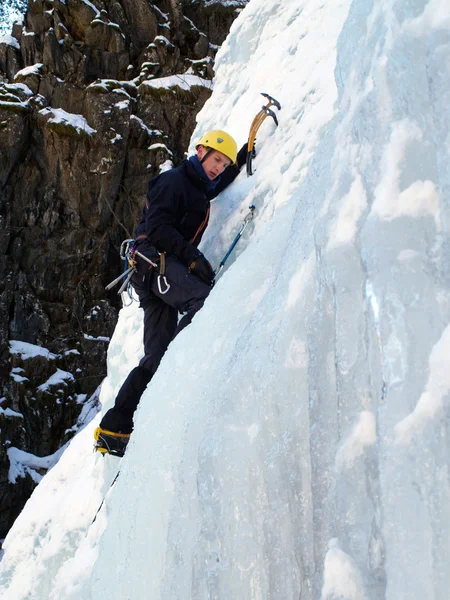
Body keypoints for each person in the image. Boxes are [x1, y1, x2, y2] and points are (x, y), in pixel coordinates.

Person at [94, 130, 247, 456]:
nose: (218, 167)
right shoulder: (172, 181)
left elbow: (212, 188)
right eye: (217, 159)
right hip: (155, 262)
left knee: (157, 356)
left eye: (223, 164)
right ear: (201, 151)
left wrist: (239, 161)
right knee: (205, 300)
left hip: (153, 272)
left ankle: (115, 428)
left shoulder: (195, 186)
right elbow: (159, 229)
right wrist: (194, 258)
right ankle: (184, 358)